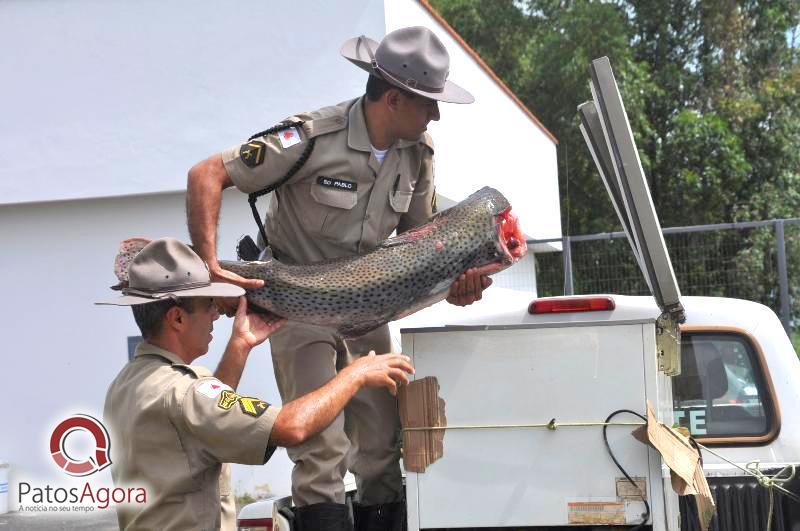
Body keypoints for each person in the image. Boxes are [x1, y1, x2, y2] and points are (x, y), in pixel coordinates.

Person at [186, 26, 491, 530]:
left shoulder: (420, 153)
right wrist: (211, 269)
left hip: (371, 311)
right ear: (393, 98)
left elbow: (421, 247)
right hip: (299, 309)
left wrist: (460, 286)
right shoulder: (309, 137)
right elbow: (206, 174)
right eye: (428, 103)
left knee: (380, 448)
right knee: (320, 451)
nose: (435, 114)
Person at [99, 238, 414, 531]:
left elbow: (206, 419)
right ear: (177, 319)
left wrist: (240, 346)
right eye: (208, 303)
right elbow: (291, 428)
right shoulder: (184, 393)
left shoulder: (129, 384)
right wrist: (355, 374)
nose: (215, 315)